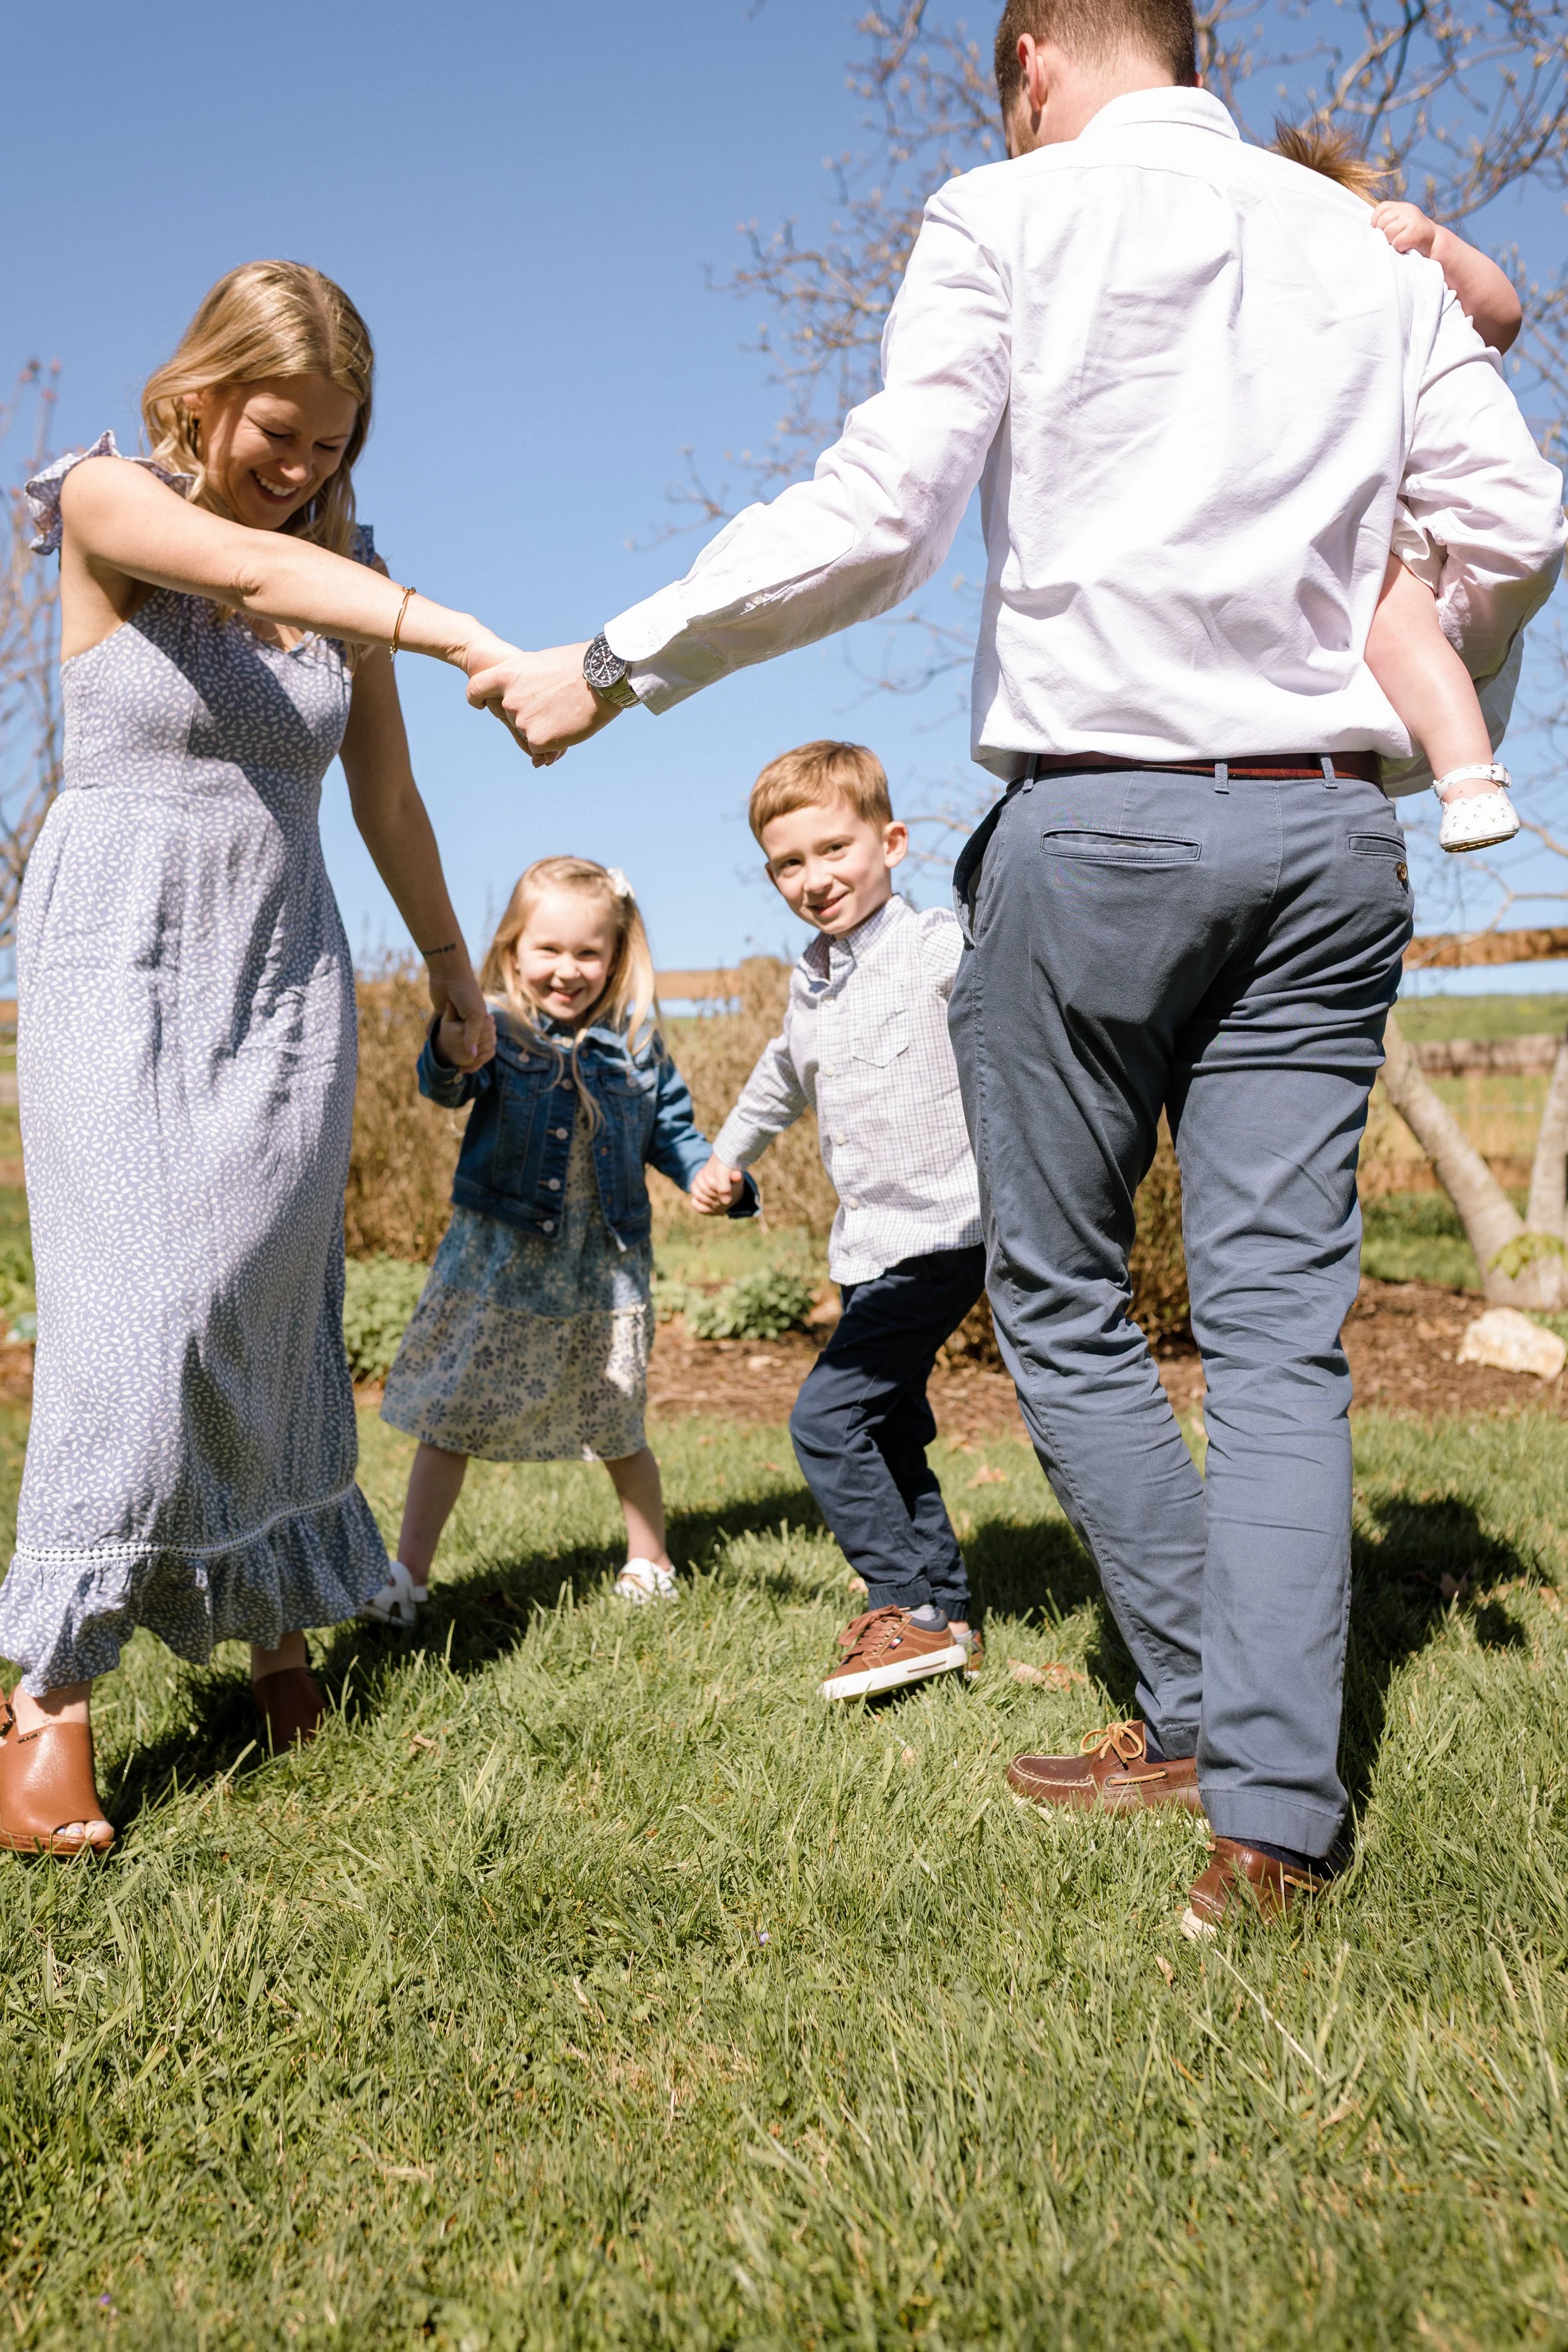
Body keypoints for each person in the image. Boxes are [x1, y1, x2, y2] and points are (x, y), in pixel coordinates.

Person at [468, 0, 1565, 1935]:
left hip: (1102, 826)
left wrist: (617, 657)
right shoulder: (1367, 247)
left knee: (1054, 1293)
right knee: (1278, 1336)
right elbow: (1516, 521)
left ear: (1036, 55)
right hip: (1326, 840)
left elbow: (881, 517)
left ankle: (1202, 1712)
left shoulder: (1003, 209)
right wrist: (1407, 718)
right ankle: (1278, 1818)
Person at [0, 260, 520, 1857]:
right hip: (121, 947)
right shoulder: (103, 496)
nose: (297, 472)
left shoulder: (344, 570)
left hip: (282, 961)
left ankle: (274, 1628)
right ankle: (44, 1696)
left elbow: (388, 802)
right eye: (279, 432)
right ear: (208, 389)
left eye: (330, 449)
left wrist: (450, 969)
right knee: (140, 1311)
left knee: (267, 1306)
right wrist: (453, 627)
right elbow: (238, 564)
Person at [378, 857, 756, 1616]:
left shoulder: (637, 1047)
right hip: (500, 1267)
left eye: (589, 952)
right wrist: (454, 1047)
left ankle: (650, 1557)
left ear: (616, 958)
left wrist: (708, 1176)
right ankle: (407, 1576)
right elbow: (445, 1080)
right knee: (452, 1415)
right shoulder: (497, 1028)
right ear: (513, 949)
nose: (568, 969)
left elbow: (673, 1131)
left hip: (600, 1271)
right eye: (548, 949)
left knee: (615, 1420)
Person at [691, 741, 985, 1699]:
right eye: (788, 862)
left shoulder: (937, 944)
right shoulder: (809, 981)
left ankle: (898, 1606)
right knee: (891, 1432)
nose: (814, 880)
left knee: (825, 1421)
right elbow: (782, 1070)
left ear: (891, 841)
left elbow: (1014, 1012)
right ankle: (946, 1611)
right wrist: (729, 1154)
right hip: (868, 1244)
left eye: (833, 849)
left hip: (944, 1231)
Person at [1279, 122, 1527, 854]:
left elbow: (1504, 316)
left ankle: (1468, 775)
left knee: (1395, 621)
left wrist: (1438, 244)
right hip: (1333, 519)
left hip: (1401, 520)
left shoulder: (1405, 283)